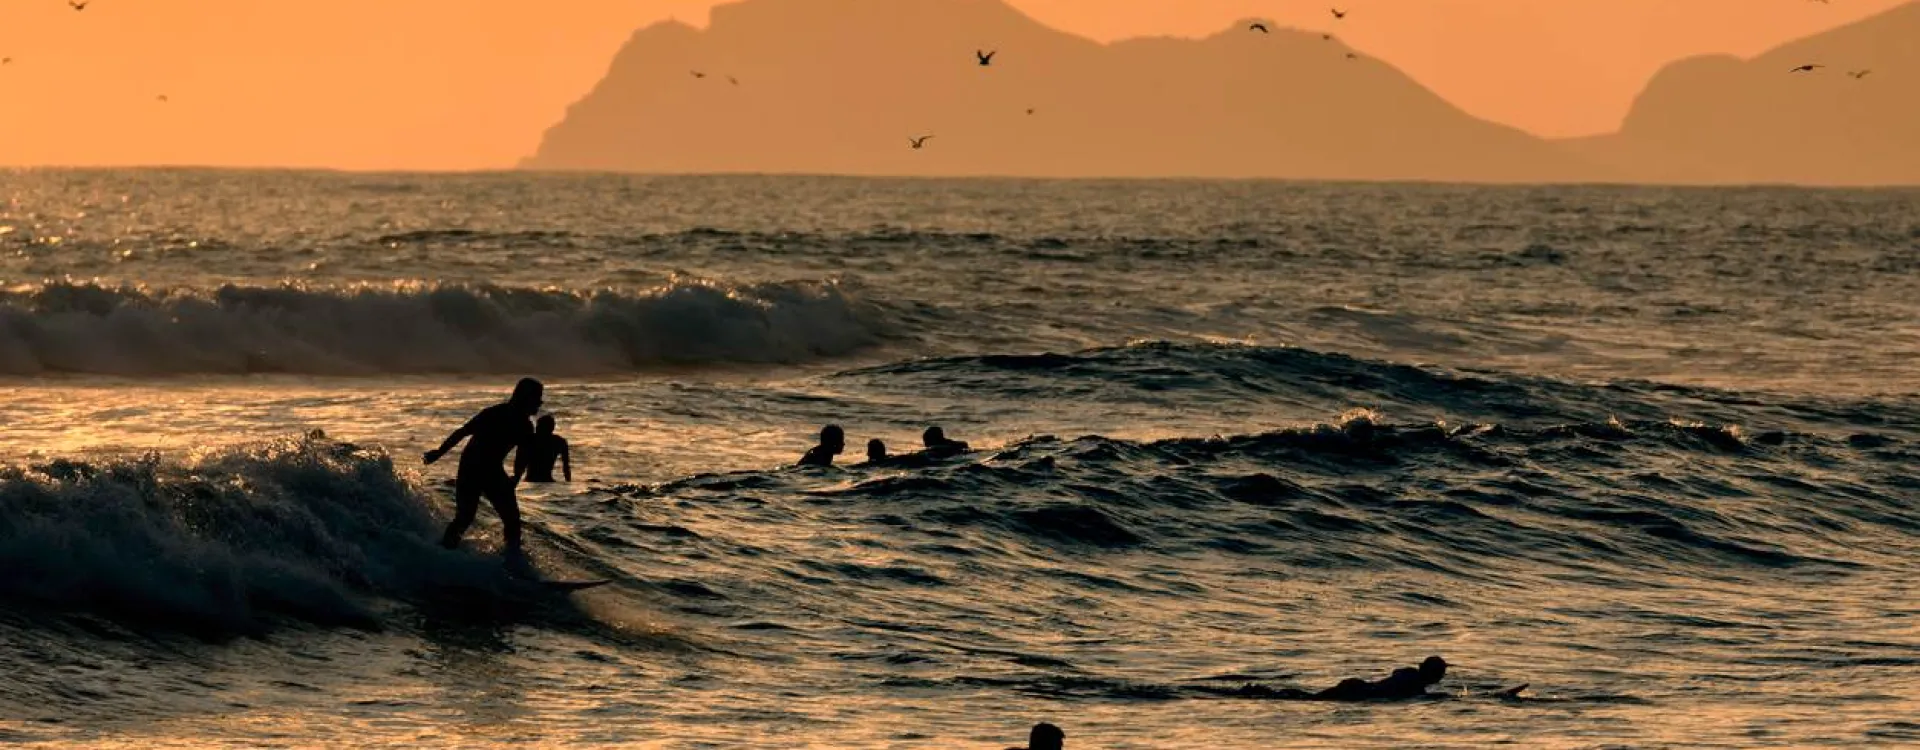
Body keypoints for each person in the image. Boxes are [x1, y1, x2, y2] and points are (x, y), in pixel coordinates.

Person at [425, 377, 542, 559]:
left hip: (494, 471)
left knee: (512, 520)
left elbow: (523, 454)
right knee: (465, 517)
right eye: (537, 398)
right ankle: (443, 554)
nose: (540, 404)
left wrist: (516, 476)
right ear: (525, 397)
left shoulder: (526, 426)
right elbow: (463, 432)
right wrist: (439, 453)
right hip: (470, 468)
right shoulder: (493, 414)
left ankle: (513, 561)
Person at [1203, 656, 1450, 702]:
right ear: (1432, 673)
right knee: (1305, 700)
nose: (1442, 676)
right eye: (1440, 672)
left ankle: (1256, 692)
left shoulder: (1411, 677)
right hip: (1356, 692)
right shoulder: (1415, 685)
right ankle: (1253, 692)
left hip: (1357, 688)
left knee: (1307, 699)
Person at [522, 415, 572, 483]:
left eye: (538, 426)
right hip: (548, 481)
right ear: (552, 428)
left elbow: (520, 463)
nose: (536, 428)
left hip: (530, 480)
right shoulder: (559, 442)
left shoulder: (530, 440)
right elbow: (566, 467)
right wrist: (568, 483)